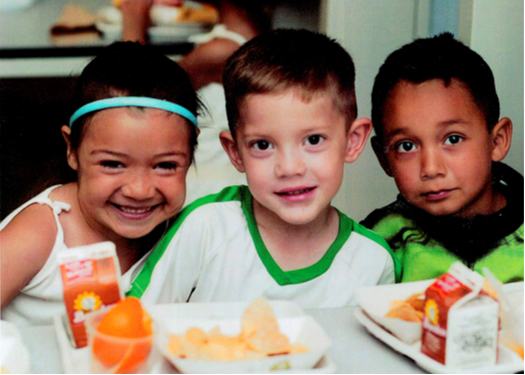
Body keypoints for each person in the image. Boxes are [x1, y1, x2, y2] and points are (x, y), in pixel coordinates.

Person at [128, 29, 401, 309]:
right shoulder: (206, 230)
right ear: (235, 153)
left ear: (352, 141)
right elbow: (131, 324)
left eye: (314, 140)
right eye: (262, 145)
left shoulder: (373, 262)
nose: (289, 168)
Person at [0, 42, 202, 325]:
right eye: (113, 164)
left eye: (165, 166)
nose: (139, 190)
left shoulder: (188, 230)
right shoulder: (41, 232)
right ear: (72, 149)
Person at [362, 33, 523, 284]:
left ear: (497, 140)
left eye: (453, 139)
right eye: (407, 146)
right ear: (384, 159)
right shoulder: (379, 240)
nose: (431, 168)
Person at [121, 0, 272, 205]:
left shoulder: (220, 50)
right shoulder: (255, 33)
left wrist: (133, 22)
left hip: (205, 193)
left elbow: (139, 97)